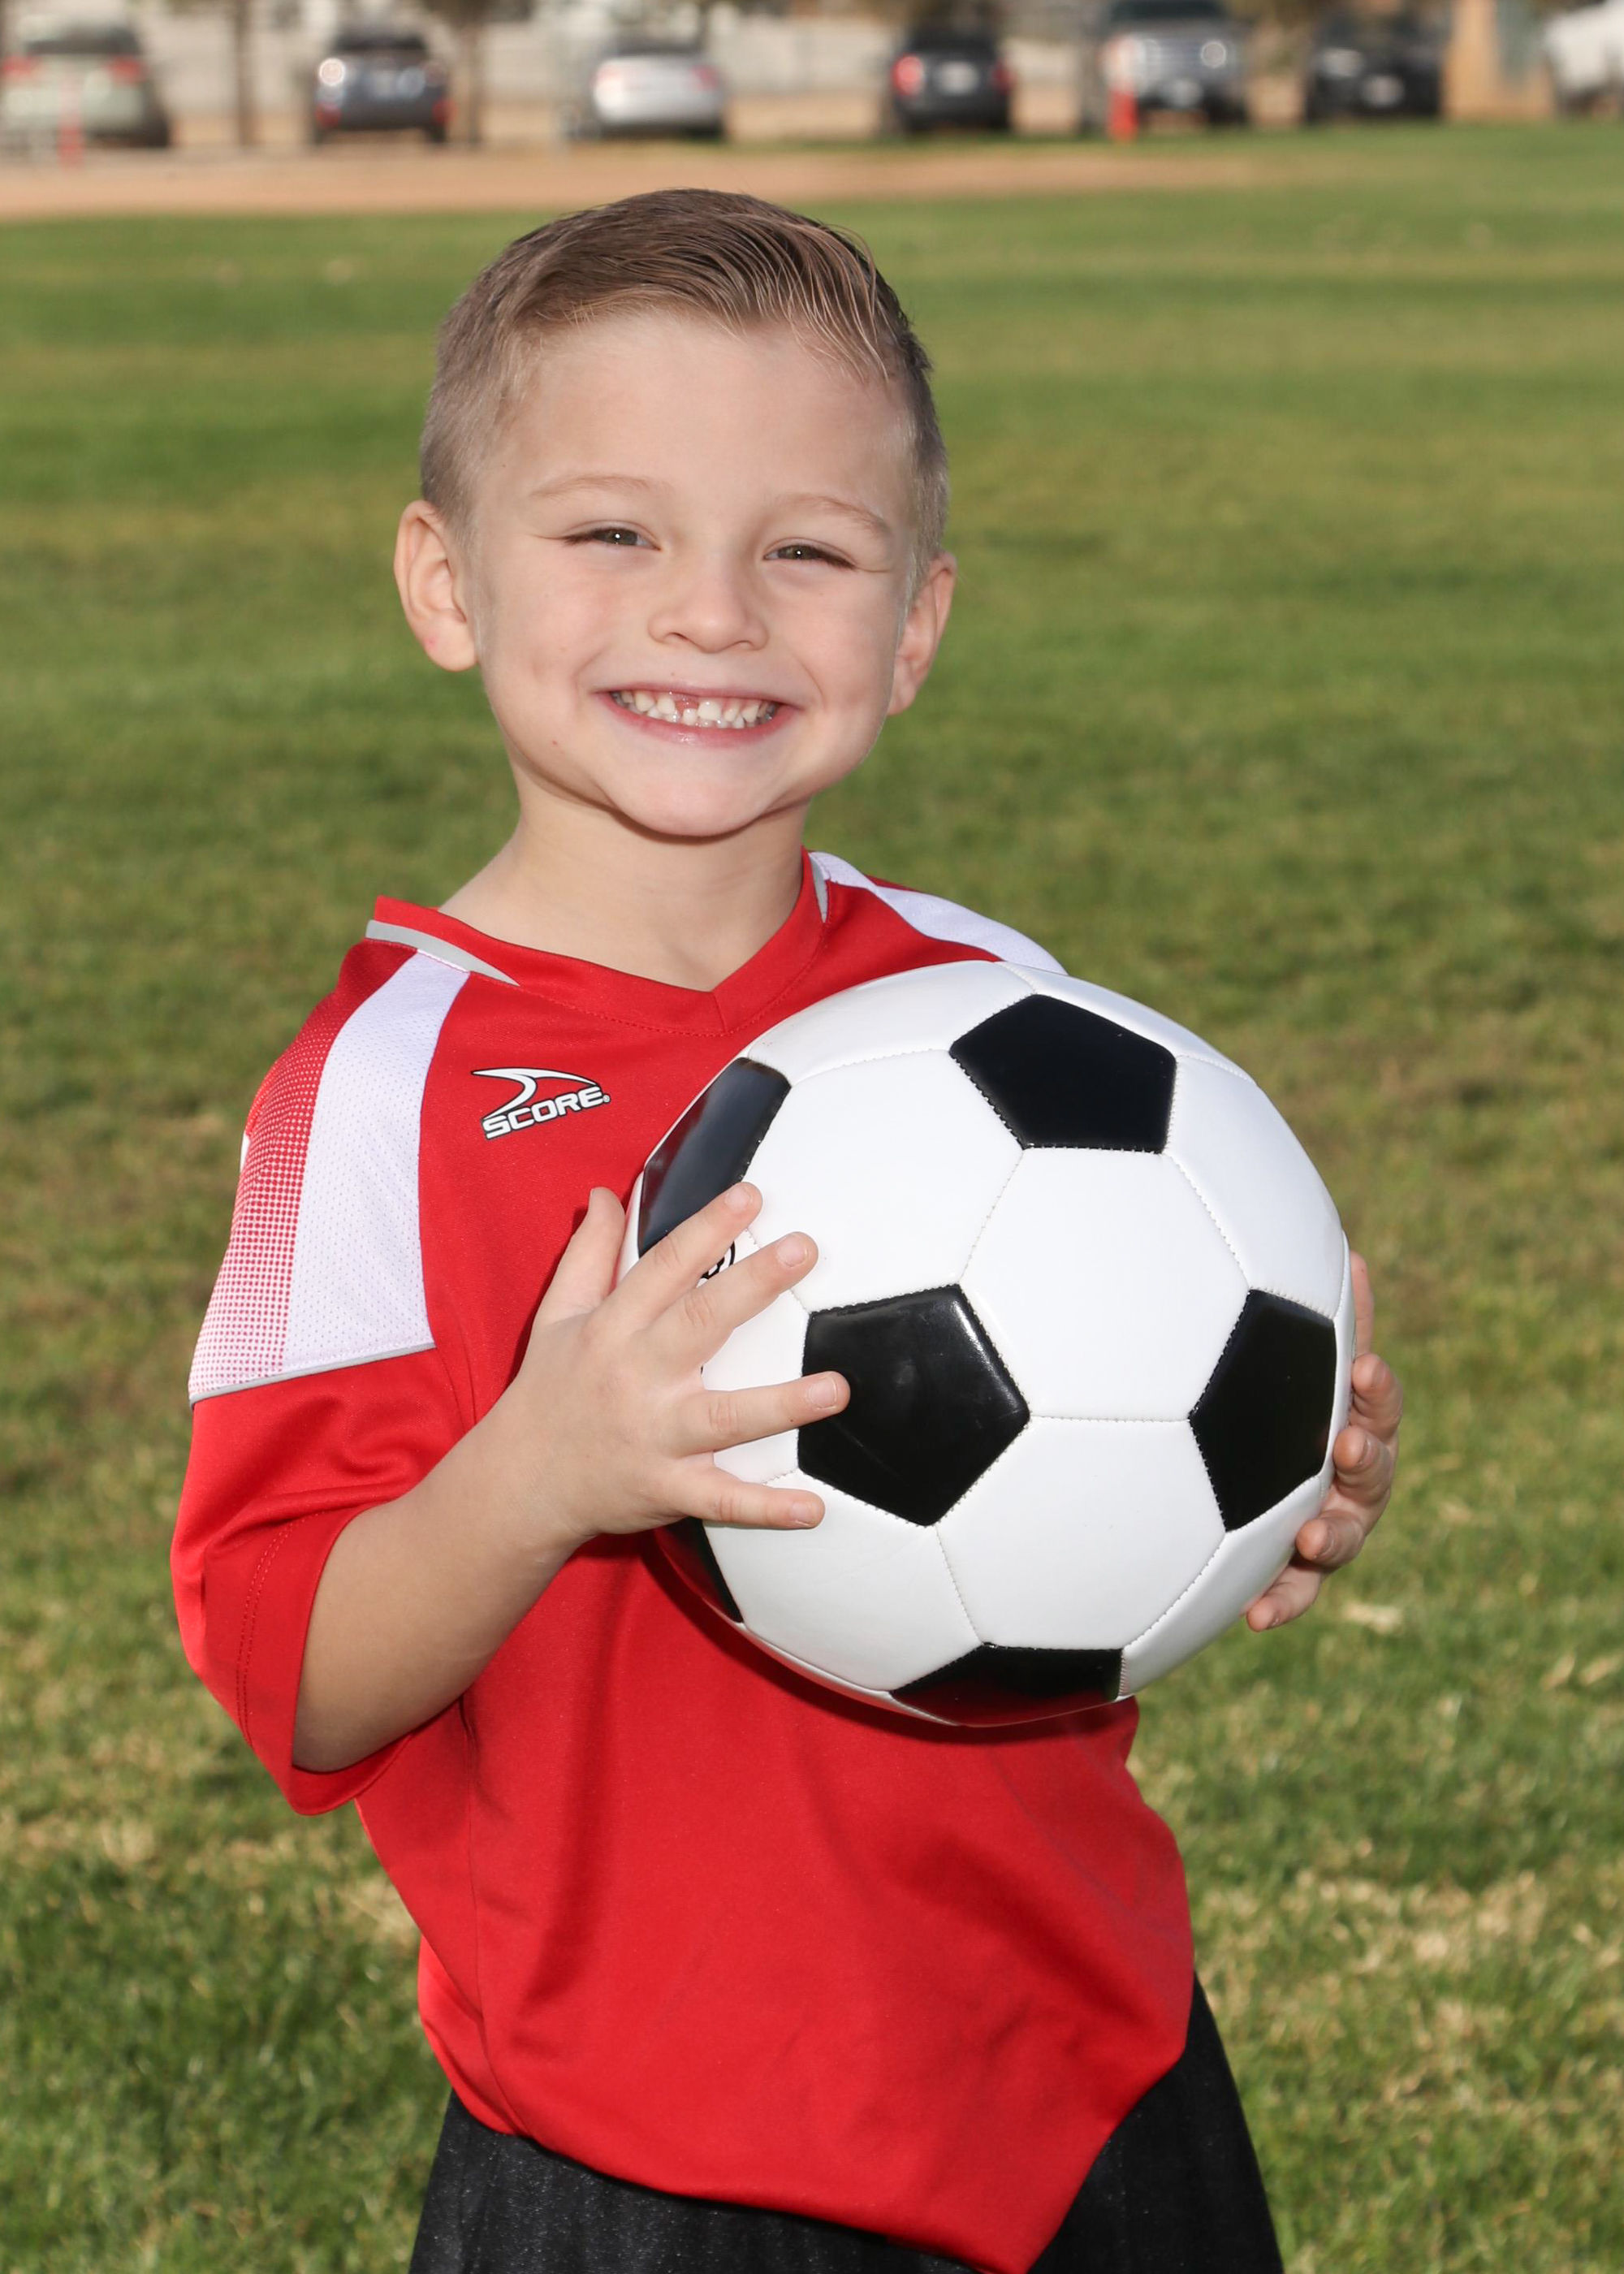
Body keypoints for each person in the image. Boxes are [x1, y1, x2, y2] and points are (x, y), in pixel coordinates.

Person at [171, 190, 1402, 2274]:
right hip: (647, 2150)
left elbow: (1166, 1391)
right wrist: (543, 1470)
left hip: (1092, 2075)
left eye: (806, 551)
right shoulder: (371, 1096)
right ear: (447, 581)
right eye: (613, 530)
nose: (712, 613)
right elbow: (292, 1672)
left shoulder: (1001, 1002)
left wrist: (1287, 1459)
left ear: (914, 623)